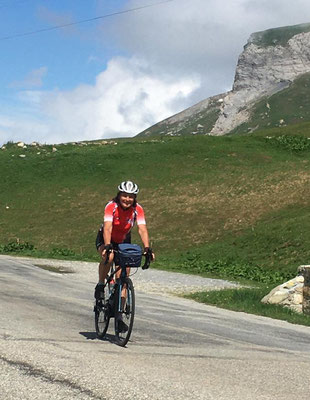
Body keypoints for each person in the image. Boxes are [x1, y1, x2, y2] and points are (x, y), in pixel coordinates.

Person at [95, 180, 154, 332]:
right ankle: (101, 284)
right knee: (108, 257)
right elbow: (107, 227)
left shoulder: (137, 209)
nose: (127, 199)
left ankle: (119, 314)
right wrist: (107, 246)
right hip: (106, 238)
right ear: (119, 195)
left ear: (134, 198)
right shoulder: (111, 206)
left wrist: (147, 248)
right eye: (124, 196)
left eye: (130, 197)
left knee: (125, 273)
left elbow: (142, 228)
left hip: (123, 240)